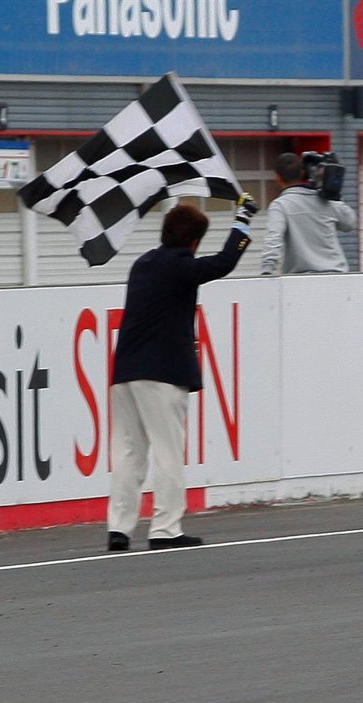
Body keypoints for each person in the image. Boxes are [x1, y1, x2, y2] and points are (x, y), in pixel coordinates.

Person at [106, 194, 258, 552]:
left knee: (128, 452)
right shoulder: (181, 266)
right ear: (193, 241)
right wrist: (242, 220)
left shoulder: (142, 264)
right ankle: (165, 528)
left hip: (125, 369)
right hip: (162, 372)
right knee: (168, 451)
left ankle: (119, 529)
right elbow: (223, 263)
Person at [261, 151, 357, 275]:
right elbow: (350, 223)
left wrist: (267, 270)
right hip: (336, 275)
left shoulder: (280, 205)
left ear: (278, 178)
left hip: (301, 279)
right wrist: (334, 193)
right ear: (302, 173)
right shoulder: (325, 200)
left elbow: (273, 238)